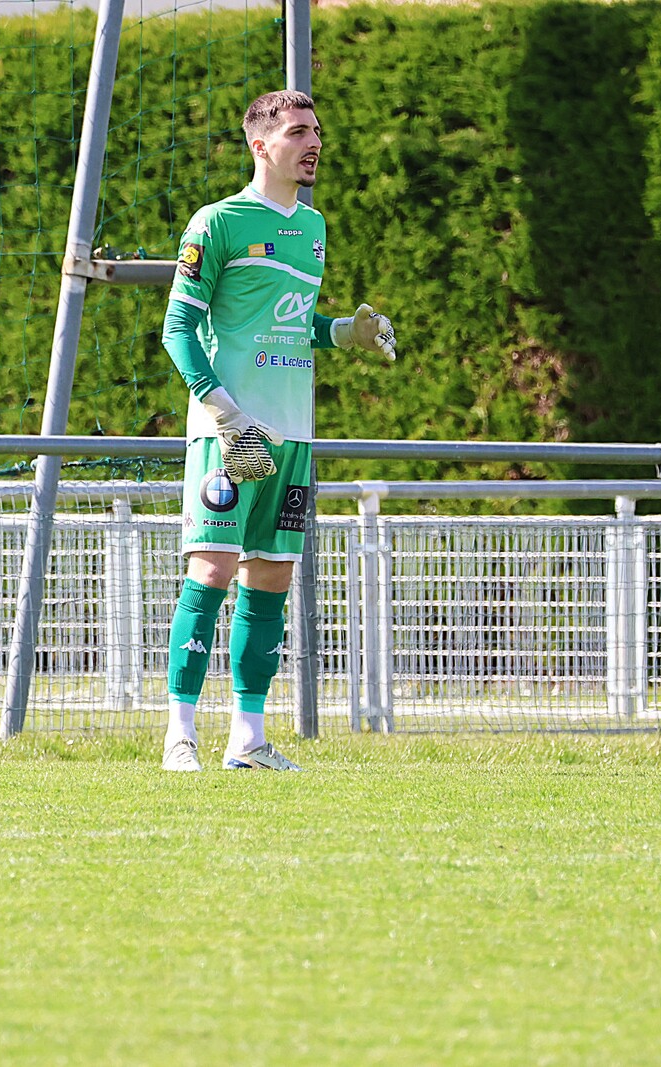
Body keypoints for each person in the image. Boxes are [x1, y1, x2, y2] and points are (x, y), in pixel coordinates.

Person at [159, 90, 396, 773]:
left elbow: (293, 323)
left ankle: (249, 740)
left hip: (293, 435)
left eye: (316, 131)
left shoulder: (313, 227)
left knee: (270, 579)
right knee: (212, 570)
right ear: (260, 144)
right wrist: (225, 413)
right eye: (298, 132)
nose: (313, 142)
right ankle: (179, 735)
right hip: (232, 432)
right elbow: (177, 329)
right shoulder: (218, 222)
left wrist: (343, 332)